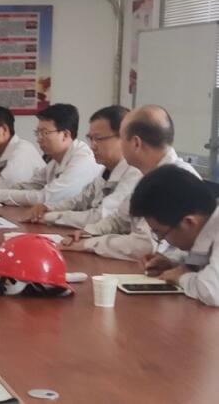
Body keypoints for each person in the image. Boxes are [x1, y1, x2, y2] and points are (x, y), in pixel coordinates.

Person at [61, 105, 199, 260]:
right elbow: (121, 217)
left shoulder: (174, 180)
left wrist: (89, 244)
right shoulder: (148, 172)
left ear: (135, 143)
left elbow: (145, 246)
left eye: (121, 138)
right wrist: (89, 233)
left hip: (169, 268)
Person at [25, 106, 142, 228]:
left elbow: (102, 216)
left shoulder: (135, 173)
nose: (92, 146)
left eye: (98, 139)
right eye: (90, 138)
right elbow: (80, 200)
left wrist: (49, 217)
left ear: (123, 138)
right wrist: (48, 208)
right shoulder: (106, 170)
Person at [0, 103, 102, 206]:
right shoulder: (55, 161)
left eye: (44, 133)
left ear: (65, 135)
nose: (38, 139)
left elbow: (46, 198)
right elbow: (29, 186)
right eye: (37, 133)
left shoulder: (83, 160)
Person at [128, 165, 219, 306]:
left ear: (189, 222)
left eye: (160, 233)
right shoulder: (207, 225)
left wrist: (181, 277)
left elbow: (212, 291)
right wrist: (172, 262)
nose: (162, 239)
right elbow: (204, 256)